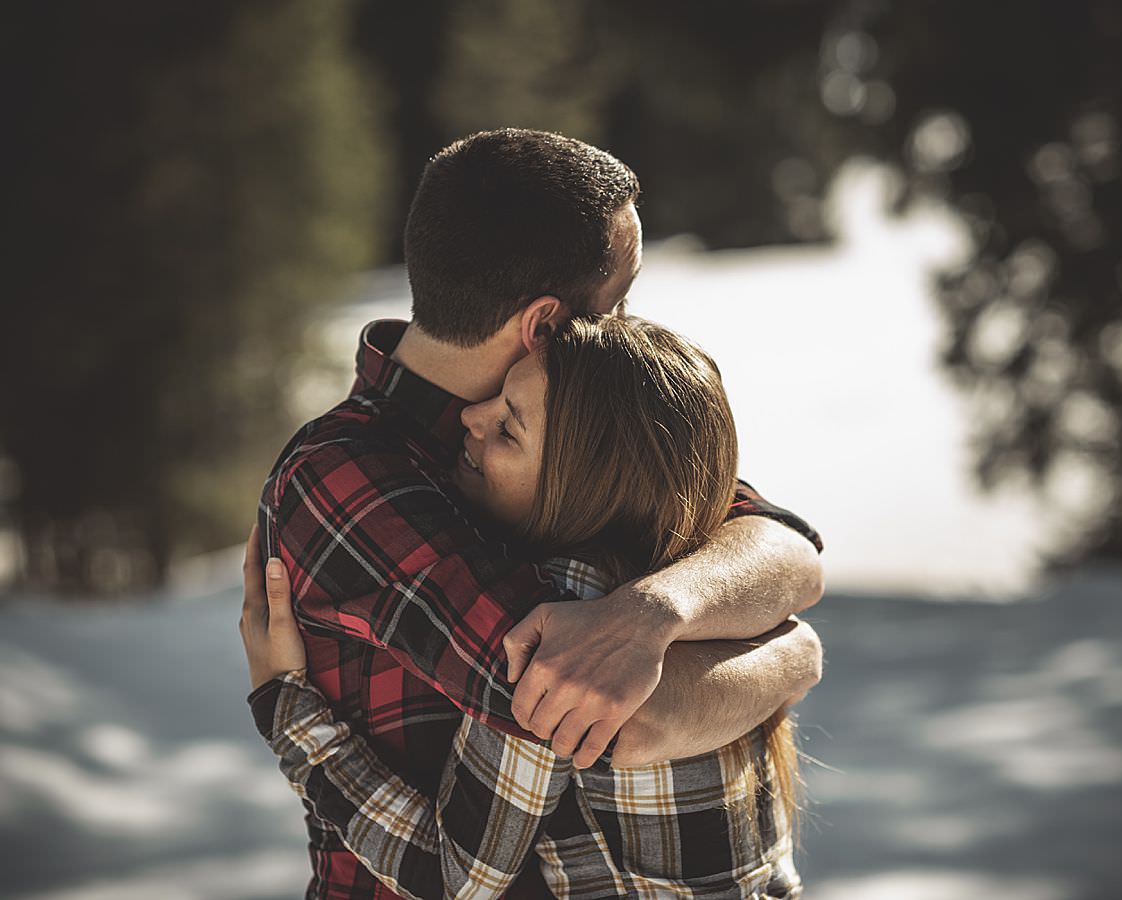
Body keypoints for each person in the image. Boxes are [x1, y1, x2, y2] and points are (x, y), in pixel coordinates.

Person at [243, 129, 824, 899]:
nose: (623, 321)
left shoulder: (574, 419)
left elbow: (784, 551)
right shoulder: (344, 477)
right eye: (620, 294)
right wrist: (793, 655)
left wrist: (658, 610)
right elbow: (610, 719)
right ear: (544, 323)